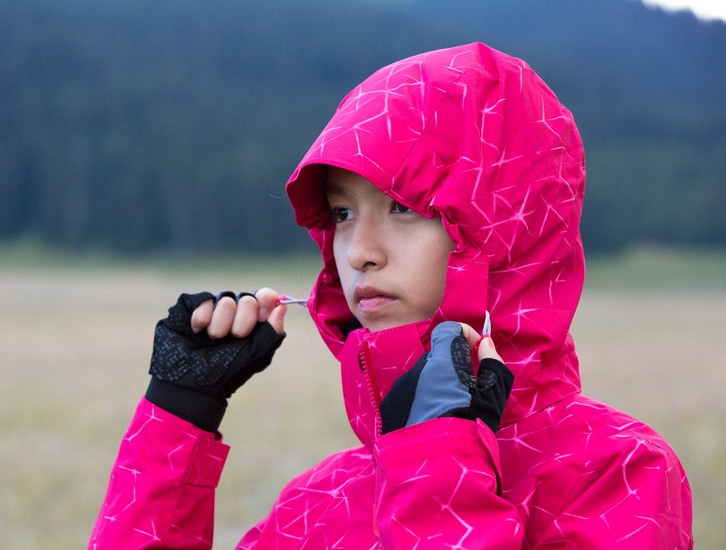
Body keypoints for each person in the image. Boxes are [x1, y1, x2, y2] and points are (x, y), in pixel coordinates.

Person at [89, 42, 693, 548]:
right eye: (343, 212)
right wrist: (177, 418)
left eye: (403, 206)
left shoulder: (616, 472)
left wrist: (435, 461)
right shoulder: (317, 501)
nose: (358, 252)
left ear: (504, 227)